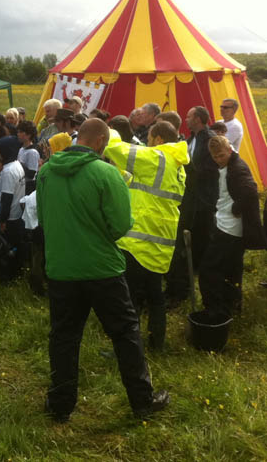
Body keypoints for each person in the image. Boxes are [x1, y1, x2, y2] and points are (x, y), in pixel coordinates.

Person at [37, 118, 168, 422]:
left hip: (61, 269)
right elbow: (121, 225)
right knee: (125, 333)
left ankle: (60, 405)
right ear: (100, 142)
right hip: (102, 269)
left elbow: (43, 220)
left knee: (64, 337)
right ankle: (142, 402)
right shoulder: (107, 173)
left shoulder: (45, 173)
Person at [104, 120, 187, 352]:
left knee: (128, 300)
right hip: (160, 244)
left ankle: (126, 348)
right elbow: (140, 185)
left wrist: (105, 128)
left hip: (138, 244)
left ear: (158, 139)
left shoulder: (157, 158)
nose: (148, 142)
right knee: (155, 297)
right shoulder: (177, 165)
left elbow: (115, 148)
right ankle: (156, 344)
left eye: (150, 138)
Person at [200, 136, 266, 318]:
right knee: (232, 268)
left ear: (230, 149)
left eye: (222, 155)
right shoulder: (228, 165)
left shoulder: (238, 168)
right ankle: (232, 304)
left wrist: (233, 209)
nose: (219, 160)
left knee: (208, 269)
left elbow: (251, 192)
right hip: (227, 224)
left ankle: (214, 309)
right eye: (215, 157)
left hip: (230, 228)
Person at [166, 106, 218, 306]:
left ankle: (198, 282)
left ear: (197, 118)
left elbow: (211, 169)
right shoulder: (189, 140)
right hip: (191, 200)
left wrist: (190, 173)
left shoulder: (209, 139)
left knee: (201, 243)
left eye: (188, 116)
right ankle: (186, 283)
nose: (185, 119)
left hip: (204, 201)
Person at [0, 136, 26, 282]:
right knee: (13, 246)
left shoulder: (7, 171)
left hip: (9, 216)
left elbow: (6, 196)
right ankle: (15, 272)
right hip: (16, 214)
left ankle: (6, 276)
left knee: (6, 248)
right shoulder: (17, 165)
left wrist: (2, 219)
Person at [16, 120, 40, 191]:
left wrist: (18, 164)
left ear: (28, 135)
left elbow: (31, 174)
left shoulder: (33, 152)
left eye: (21, 132)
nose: (18, 134)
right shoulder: (21, 149)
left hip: (27, 187)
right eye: (18, 132)